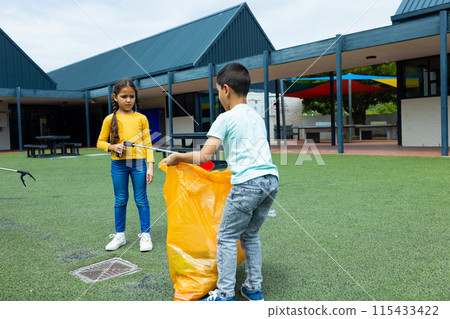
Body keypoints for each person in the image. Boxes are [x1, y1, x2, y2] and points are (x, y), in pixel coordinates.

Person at [164, 63, 279, 301]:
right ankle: (253, 289)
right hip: (271, 182)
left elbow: (204, 156)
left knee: (226, 238)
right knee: (250, 236)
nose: (218, 95)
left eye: (217, 91)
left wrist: (177, 157)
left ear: (225, 89)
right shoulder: (256, 117)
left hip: (247, 184)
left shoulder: (225, 118)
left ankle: (225, 295)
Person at [97, 79, 154, 252]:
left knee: (141, 199)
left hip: (138, 164)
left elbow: (148, 144)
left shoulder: (141, 118)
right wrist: (112, 146)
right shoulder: (109, 119)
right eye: (124, 96)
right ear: (115, 97)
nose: (128, 100)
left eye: (131, 96)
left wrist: (150, 166)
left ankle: (146, 235)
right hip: (118, 165)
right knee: (120, 200)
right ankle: (120, 235)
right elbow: (100, 142)